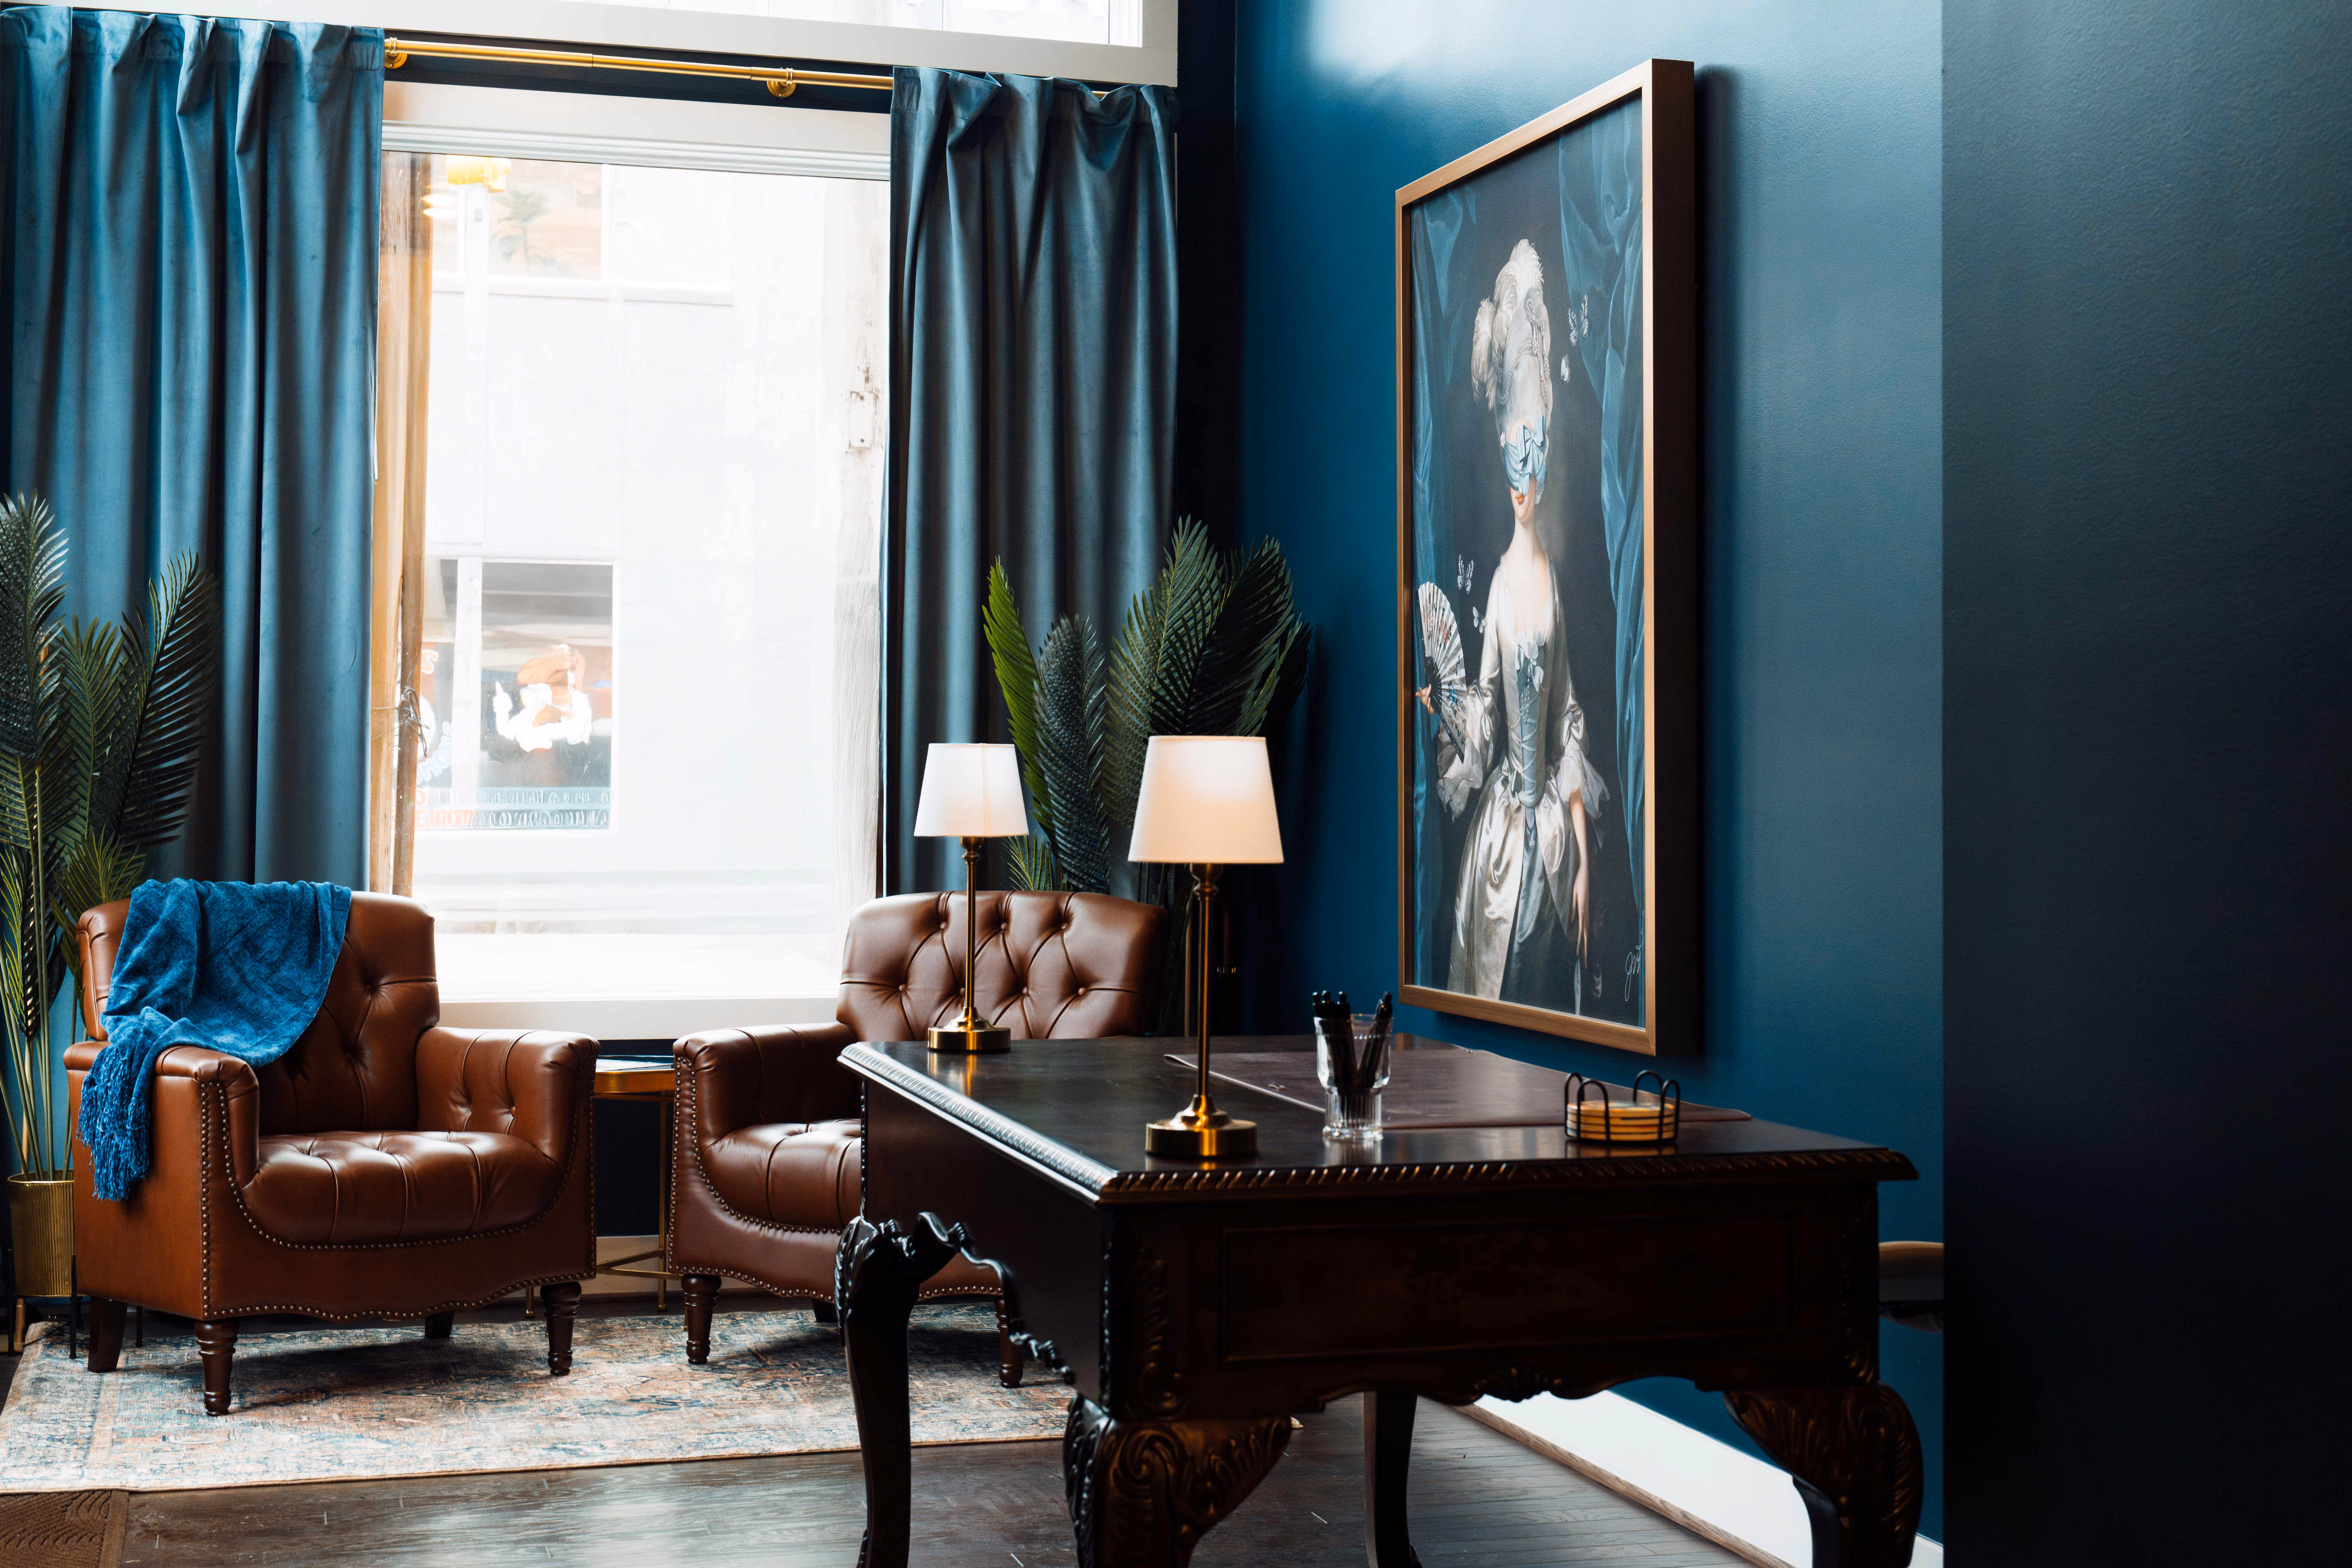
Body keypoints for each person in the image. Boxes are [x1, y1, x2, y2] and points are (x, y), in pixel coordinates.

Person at [1419, 239, 1607, 1005]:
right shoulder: (1499, 583)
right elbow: (1486, 708)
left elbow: (1564, 714)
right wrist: (1442, 708)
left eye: (1530, 462)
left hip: (1551, 832)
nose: (1521, 483)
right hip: (1499, 833)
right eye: (1511, 463)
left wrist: (1584, 855)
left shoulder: (1551, 582)